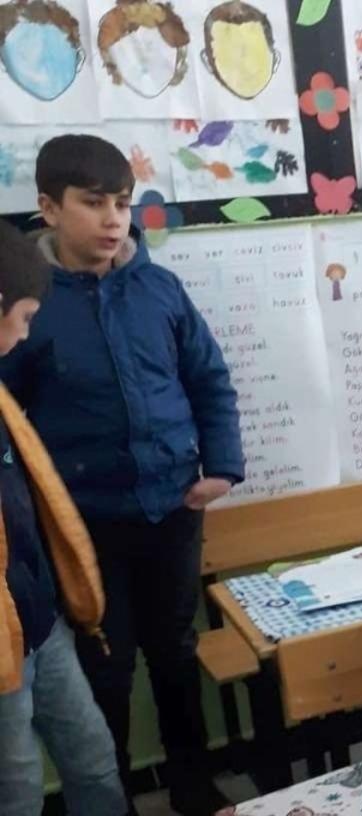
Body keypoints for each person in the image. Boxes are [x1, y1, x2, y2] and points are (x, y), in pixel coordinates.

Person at [0, 134, 244, 816]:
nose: (113, 220)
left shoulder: (159, 288)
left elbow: (209, 379)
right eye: (93, 203)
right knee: (105, 667)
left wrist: (221, 466)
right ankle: (118, 799)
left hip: (172, 509)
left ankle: (195, 786)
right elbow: (9, 419)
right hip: (83, 527)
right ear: (48, 208)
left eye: (122, 203)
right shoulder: (29, 303)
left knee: (175, 654)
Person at [0, 220, 127, 815]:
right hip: (2, 646)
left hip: (41, 623)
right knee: (17, 787)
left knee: (94, 758)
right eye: (23, 318)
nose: (25, 336)